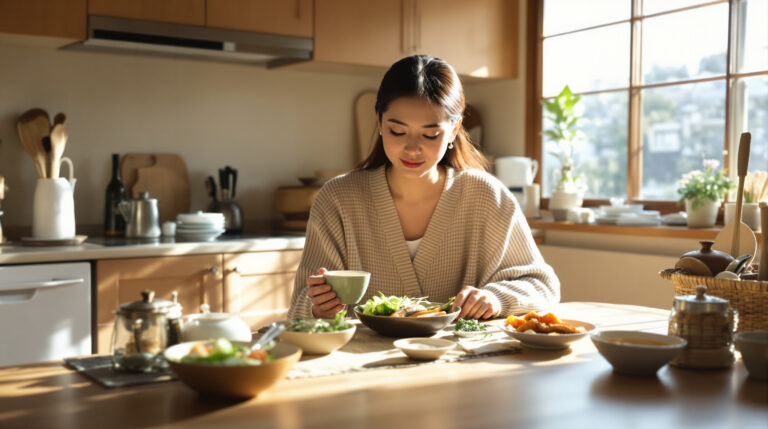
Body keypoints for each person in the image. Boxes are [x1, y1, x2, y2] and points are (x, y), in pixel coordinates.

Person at [287, 55, 559, 320]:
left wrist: (496, 298)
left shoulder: (487, 196)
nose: (413, 149)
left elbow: (542, 285)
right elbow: (300, 303)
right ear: (380, 123)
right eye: (398, 131)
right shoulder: (338, 199)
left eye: (430, 134)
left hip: (459, 362)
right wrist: (317, 309)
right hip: (363, 363)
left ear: (454, 130)